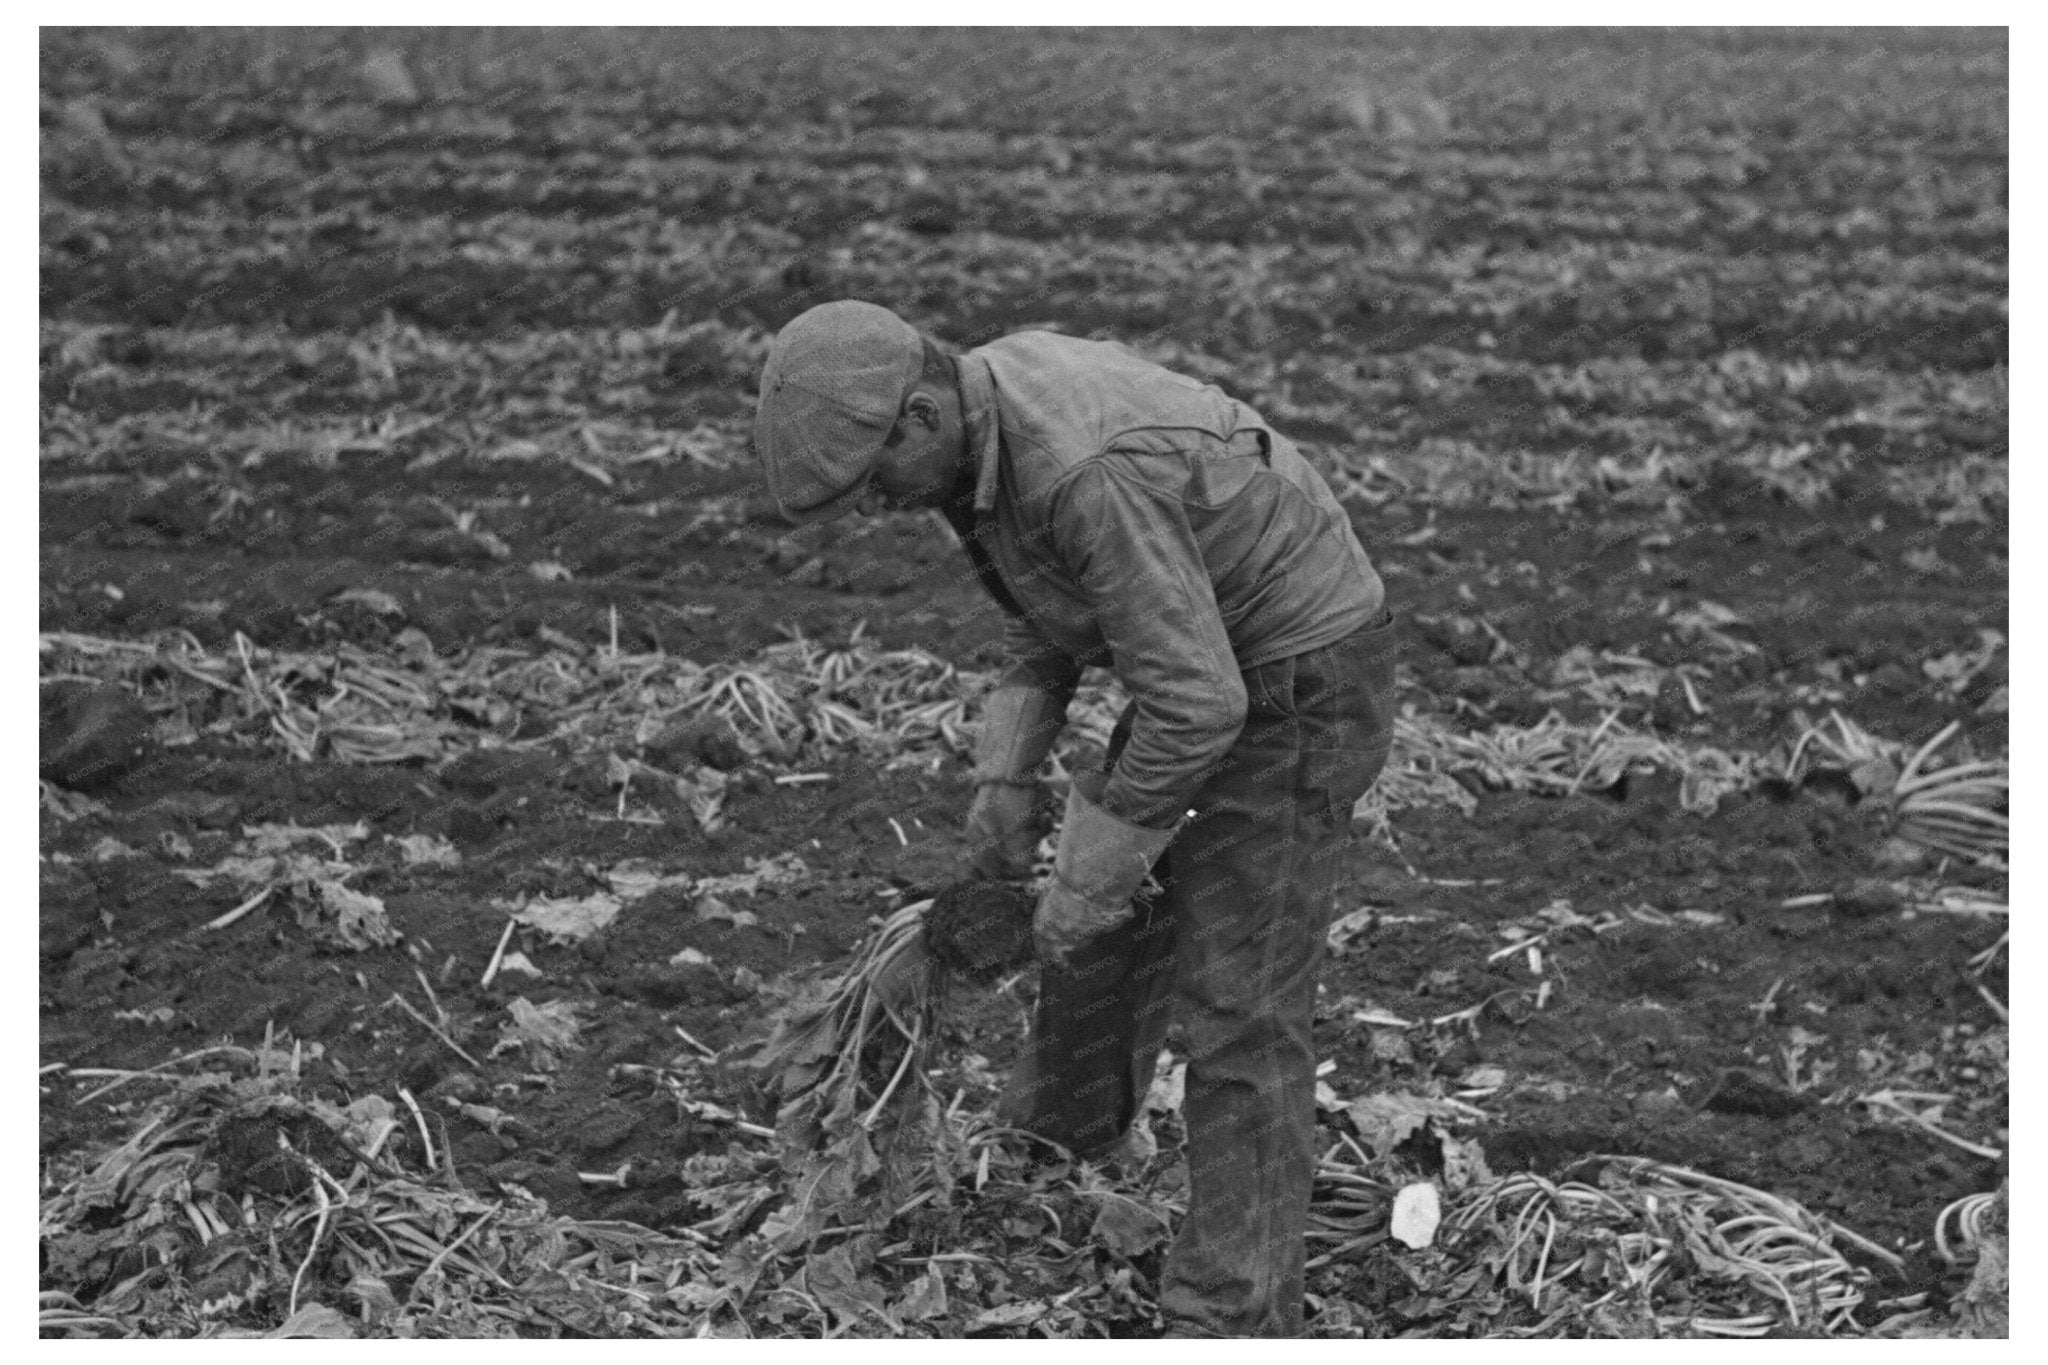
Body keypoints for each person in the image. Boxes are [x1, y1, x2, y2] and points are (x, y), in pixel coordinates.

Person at [753, 299, 1397, 1338]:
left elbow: (1198, 705)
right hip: (1209, 655)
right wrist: (1004, 783)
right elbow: (1065, 612)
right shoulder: (983, 427)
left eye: (873, 480)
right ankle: (1054, 1169)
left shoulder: (1077, 468)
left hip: (1299, 681)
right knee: (1104, 933)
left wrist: (1083, 878)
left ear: (918, 415)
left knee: (1238, 1001)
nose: (874, 507)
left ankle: (1232, 1314)